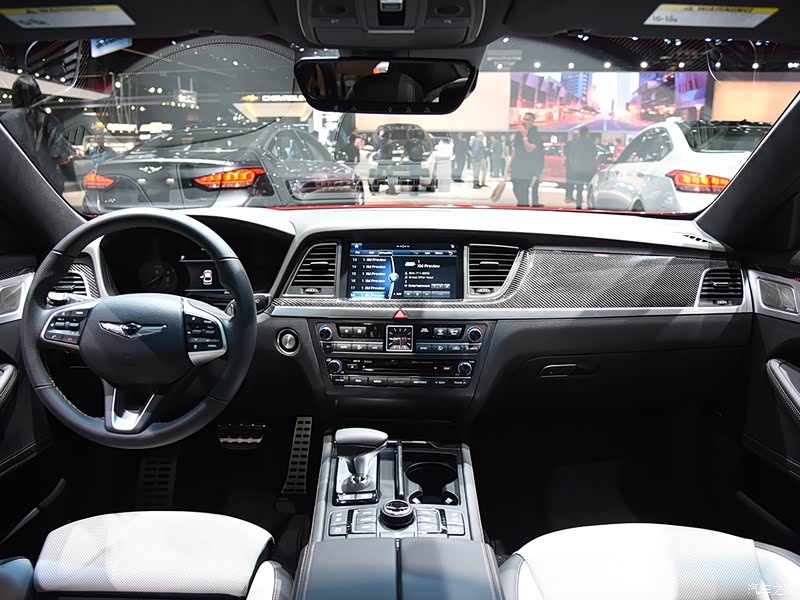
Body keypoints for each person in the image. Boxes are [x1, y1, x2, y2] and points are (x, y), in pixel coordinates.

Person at [0, 75, 74, 193]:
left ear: (14, 96)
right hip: (48, 183)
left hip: (15, 183)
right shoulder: (50, 120)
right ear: (38, 95)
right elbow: (61, 157)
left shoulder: (5, 121)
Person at [506, 112, 543, 207]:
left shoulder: (536, 135)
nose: (524, 121)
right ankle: (522, 205)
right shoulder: (518, 134)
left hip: (528, 168)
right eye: (524, 119)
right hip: (517, 166)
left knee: (523, 191)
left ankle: (523, 207)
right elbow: (515, 150)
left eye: (527, 119)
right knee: (516, 188)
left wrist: (524, 136)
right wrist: (510, 165)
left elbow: (529, 149)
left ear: (532, 121)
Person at [567, 126, 598, 209]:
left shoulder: (574, 142)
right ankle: (589, 204)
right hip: (588, 169)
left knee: (579, 188)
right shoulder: (590, 142)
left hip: (577, 169)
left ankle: (578, 205)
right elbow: (594, 153)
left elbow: (571, 155)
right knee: (589, 188)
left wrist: (573, 166)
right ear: (587, 133)